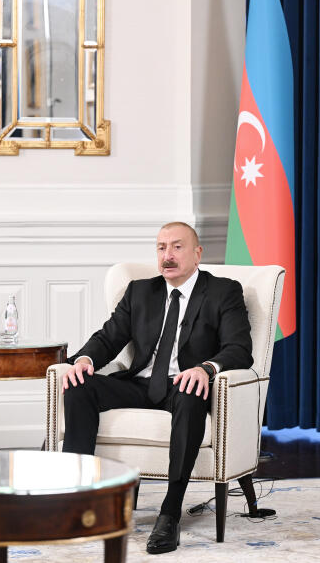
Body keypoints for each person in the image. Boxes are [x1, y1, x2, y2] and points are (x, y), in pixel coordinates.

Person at [60, 222, 253, 554]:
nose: (167, 255)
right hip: (140, 385)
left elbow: (239, 348)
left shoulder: (223, 291)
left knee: (192, 392)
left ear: (197, 253)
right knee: (79, 385)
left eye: (177, 247)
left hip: (184, 386)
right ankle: (76, 502)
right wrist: (85, 359)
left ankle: (170, 512)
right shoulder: (140, 291)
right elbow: (108, 338)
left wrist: (206, 369)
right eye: (161, 248)